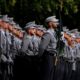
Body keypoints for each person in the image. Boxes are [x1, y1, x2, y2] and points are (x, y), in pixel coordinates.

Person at [38, 16, 59, 80]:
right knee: (46, 76)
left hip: (53, 57)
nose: (56, 23)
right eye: (54, 22)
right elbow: (42, 47)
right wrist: (40, 57)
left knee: (51, 76)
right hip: (48, 57)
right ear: (50, 23)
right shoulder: (48, 33)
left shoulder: (54, 33)